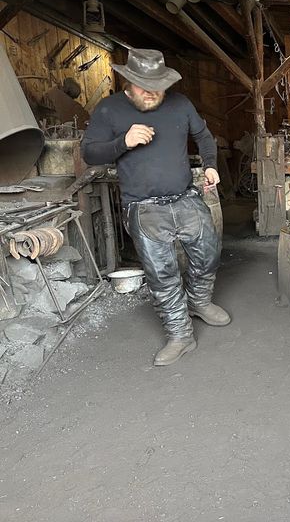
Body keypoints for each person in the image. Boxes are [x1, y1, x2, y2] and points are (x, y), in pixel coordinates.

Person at [81, 48, 230, 366]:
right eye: (145, 89)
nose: (153, 95)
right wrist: (124, 141)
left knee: (209, 253)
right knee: (162, 274)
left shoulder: (180, 104)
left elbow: (204, 137)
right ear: (129, 83)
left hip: (185, 197)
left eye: (158, 88)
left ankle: (198, 302)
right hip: (144, 207)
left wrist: (210, 165)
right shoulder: (109, 110)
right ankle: (181, 335)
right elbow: (90, 154)